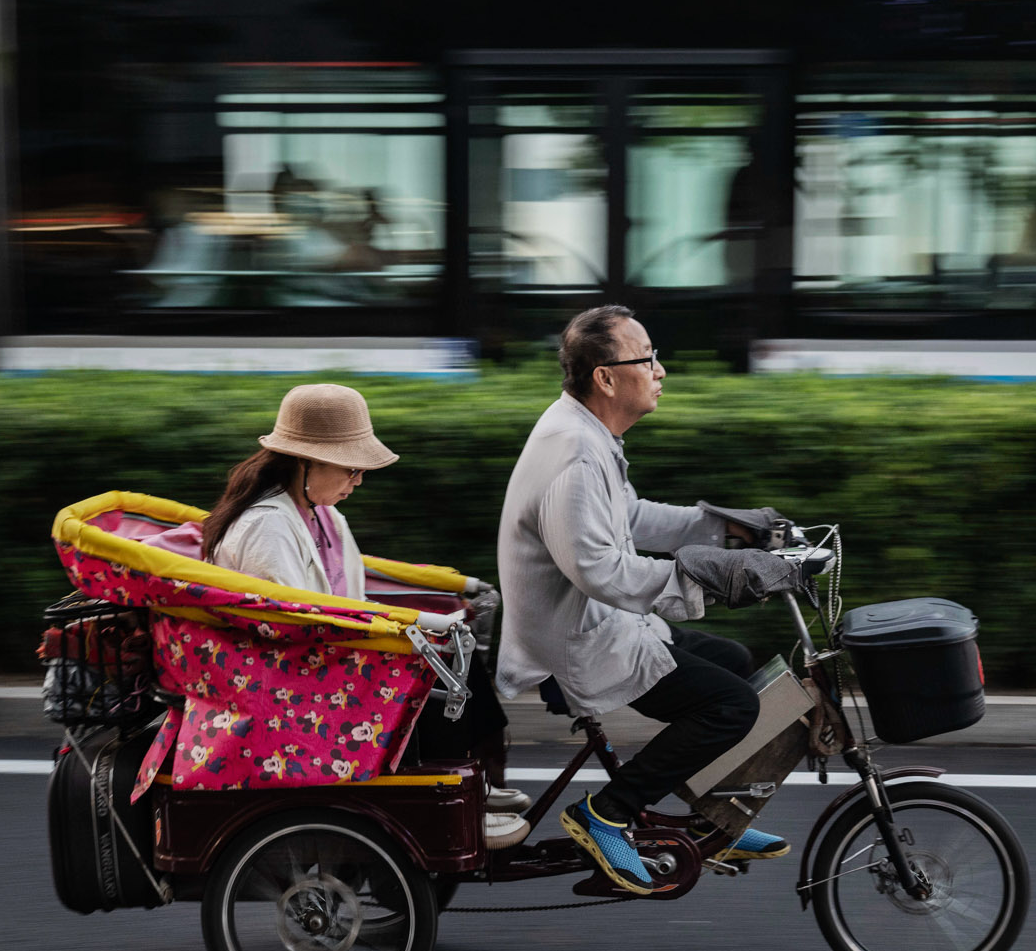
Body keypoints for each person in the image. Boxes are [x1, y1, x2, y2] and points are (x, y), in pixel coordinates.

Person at [495, 306, 793, 895]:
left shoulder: (584, 432)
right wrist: (710, 576)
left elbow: (628, 517)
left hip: (594, 621)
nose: (661, 370)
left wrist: (725, 531)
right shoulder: (577, 453)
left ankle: (712, 817)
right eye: (648, 358)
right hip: (575, 638)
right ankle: (606, 813)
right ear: (606, 377)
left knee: (734, 661)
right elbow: (600, 570)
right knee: (733, 707)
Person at [201, 383, 531, 846]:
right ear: (304, 462)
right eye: (351, 469)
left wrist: (420, 625)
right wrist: (412, 631)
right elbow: (299, 621)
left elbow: (347, 603)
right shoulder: (266, 527)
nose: (358, 481)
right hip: (285, 674)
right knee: (441, 673)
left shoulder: (324, 515)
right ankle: (464, 798)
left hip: (322, 653)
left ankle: (475, 787)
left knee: (459, 659)